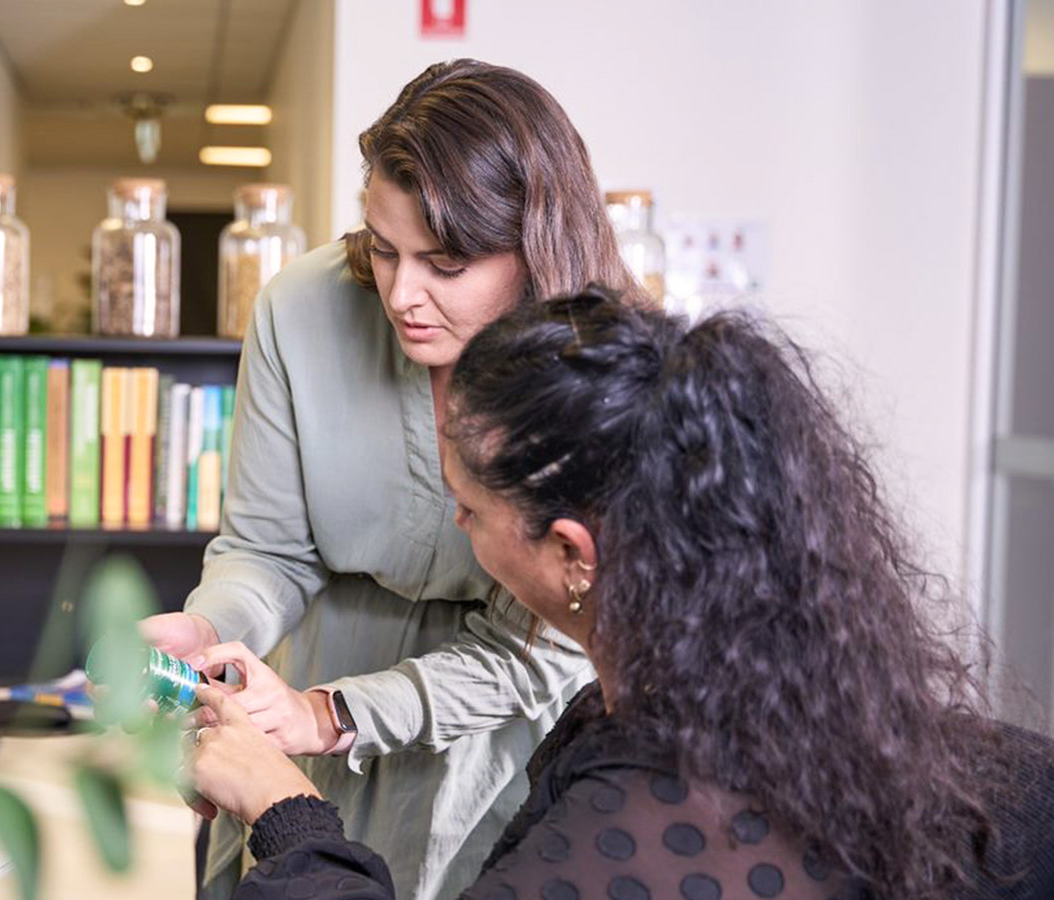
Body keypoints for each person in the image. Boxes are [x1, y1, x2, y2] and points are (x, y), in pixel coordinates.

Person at [185, 289, 1054, 900]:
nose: (455, 524)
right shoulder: (809, 709)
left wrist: (283, 808)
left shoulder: (647, 818)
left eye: (471, 508)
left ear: (571, 553)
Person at [139, 59, 636, 900]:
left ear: (535, 252)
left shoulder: (598, 362)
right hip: (292, 701)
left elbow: (545, 647)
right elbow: (267, 549)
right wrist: (211, 631)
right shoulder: (301, 308)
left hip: (491, 740)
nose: (402, 293)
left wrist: (331, 715)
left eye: (444, 263)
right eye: (383, 248)